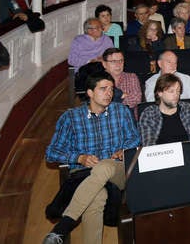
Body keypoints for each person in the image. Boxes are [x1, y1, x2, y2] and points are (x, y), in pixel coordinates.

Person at [43, 71, 140, 244]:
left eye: (111, 89)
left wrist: (124, 150)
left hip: (117, 171)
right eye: (103, 89)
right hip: (85, 176)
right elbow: (51, 153)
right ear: (89, 93)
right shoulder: (71, 118)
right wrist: (79, 158)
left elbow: (135, 139)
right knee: (97, 197)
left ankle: (63, 227)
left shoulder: (121, 111)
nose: (109, 93)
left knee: (104, 166)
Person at [138, 73, 190, 162]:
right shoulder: (149, 114)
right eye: (171, 91)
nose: (176, 95)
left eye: (178, 91)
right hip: (160, 162)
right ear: (160, 93)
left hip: (187, 159)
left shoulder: (187, 109)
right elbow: (149, 146)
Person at [101, 48, 141, 117]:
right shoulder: (98, 80)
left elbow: (136, 99)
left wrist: (113, 100)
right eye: (113, 61)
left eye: (121, 61)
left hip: (128, 118)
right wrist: (122, 96)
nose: (118, 65)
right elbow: (98, 103)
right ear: (104, 64)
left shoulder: (131, 77)